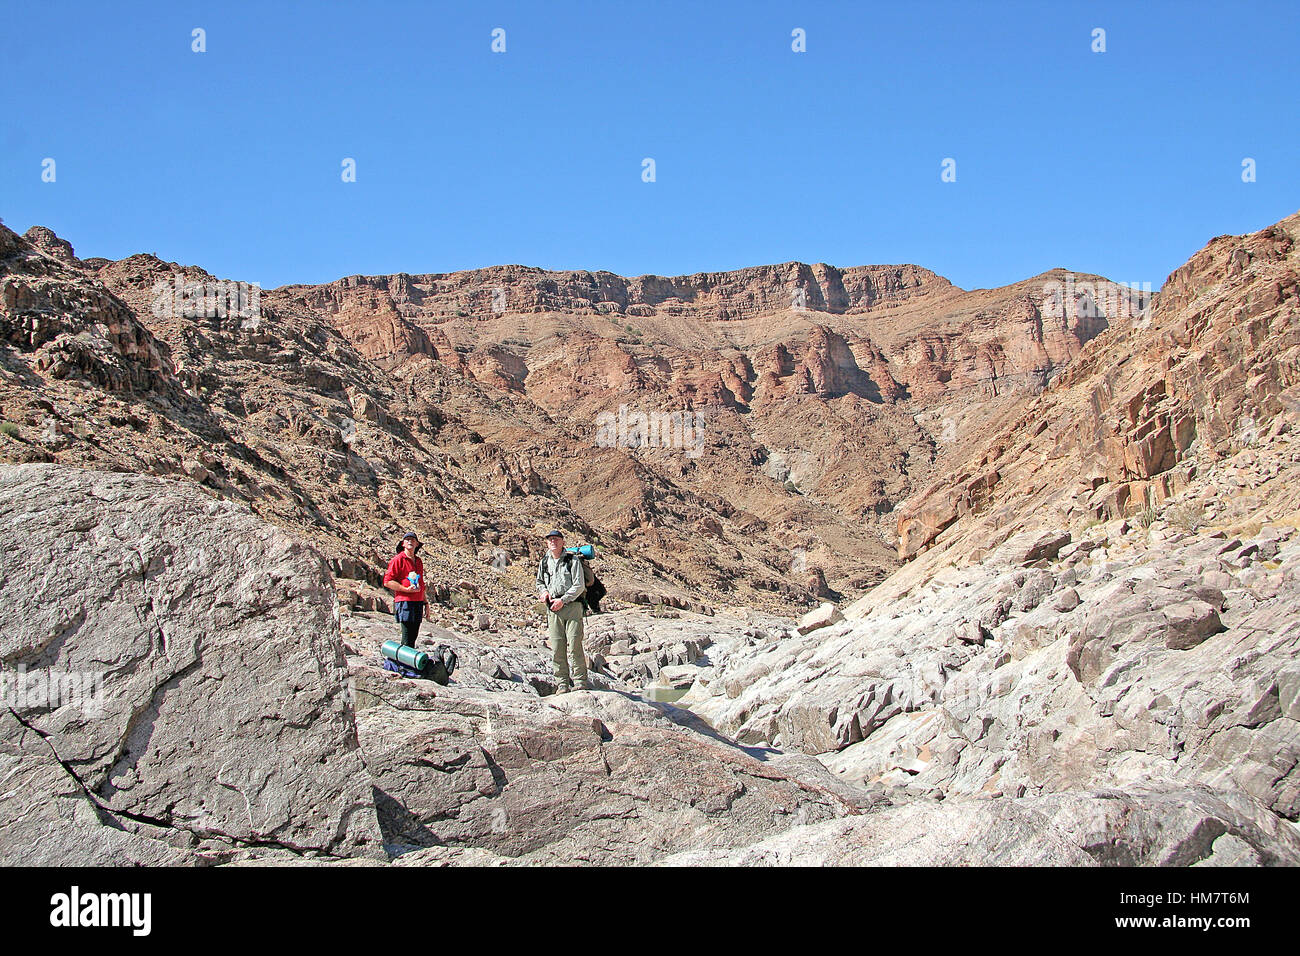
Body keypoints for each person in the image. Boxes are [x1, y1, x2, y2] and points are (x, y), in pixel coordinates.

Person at [535, 529, 588, 693]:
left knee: (574, 645)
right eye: (550, 539)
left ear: (563, 542)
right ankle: (562, 684)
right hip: (553, 609)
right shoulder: (544, 562)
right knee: (557, 647)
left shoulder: (572, 560)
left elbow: (579, 585)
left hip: (572, 607)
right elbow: (539, 582)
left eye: (556, 539)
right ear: (547, 542)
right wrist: (543, 593)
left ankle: (580, 681)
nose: (553, 542)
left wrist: (563, 600)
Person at [383, 532, 432, 647]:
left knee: (413, 637)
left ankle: (408, 662)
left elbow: (421, 584)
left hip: (418, 602)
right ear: (403, 544)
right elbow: (387, 582)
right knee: (406, 637)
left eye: (413, 540)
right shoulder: (398, 559)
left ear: (417, 544)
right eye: (407, 540)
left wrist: (425, 603)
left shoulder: (418, 561)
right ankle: (402, 662)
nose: (410, 542)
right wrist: (405, 589)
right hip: (405, 601)